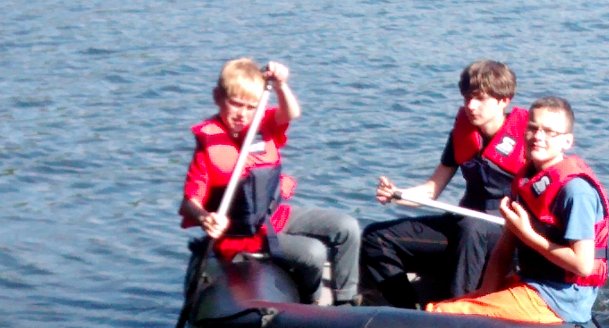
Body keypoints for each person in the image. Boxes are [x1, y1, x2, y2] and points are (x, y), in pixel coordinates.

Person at [178, 57, 361, 305]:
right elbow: (190, 201)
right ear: (218, 98)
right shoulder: (208, 146)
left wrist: (280, 85)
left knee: (347, 227)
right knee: (313, 252)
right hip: (241, 235)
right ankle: (311, 306)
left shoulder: (263, 125)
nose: (242, 114)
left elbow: (292, 113)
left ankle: (346, 302)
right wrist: (204, 218)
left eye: (250, 107)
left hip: (274, 216)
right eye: (236, 104)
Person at [426, 96, 609, 325]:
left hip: (560, 300)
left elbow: (582, 265)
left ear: (567, 141)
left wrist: (528, 235)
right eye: (532, 128)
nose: (538, 137)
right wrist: (485, 293)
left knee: (440, 314)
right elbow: (503, 250)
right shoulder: (526, 179)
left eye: (549, 132)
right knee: (445, 306)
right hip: (531, 283)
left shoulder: (576, 192)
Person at [360, 60, 529, 309]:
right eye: (467, 98)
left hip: (504, 233)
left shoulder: (529, 140)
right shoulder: (463, 135)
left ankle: (459, 314)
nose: (471, 106)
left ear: (504, 101)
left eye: (480, 99)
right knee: (376, 237)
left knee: (472, 229)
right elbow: (432, 189)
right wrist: (397, 194)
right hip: (465, 225)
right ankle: (408, 312)